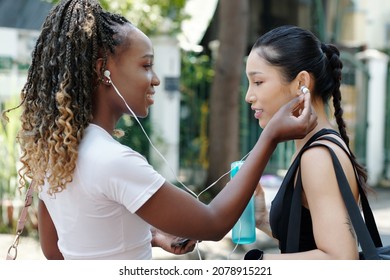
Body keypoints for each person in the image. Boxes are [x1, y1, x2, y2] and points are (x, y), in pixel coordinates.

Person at [5, 1, 316, 260]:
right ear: (103, 71)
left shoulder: (56, 153)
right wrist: (270, 136)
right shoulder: (113, 160)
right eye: (145, 65)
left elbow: (54, 251)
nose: (154, 79)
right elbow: (213, 223)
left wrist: (149, 236)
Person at [245, 25, 370, 260]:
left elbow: (340, 260)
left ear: (301, 81)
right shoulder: (311, 147)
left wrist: (257, 264)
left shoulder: (318, 156)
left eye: (258, 82)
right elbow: (307, 240)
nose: (248, 96)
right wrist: (263, 219)